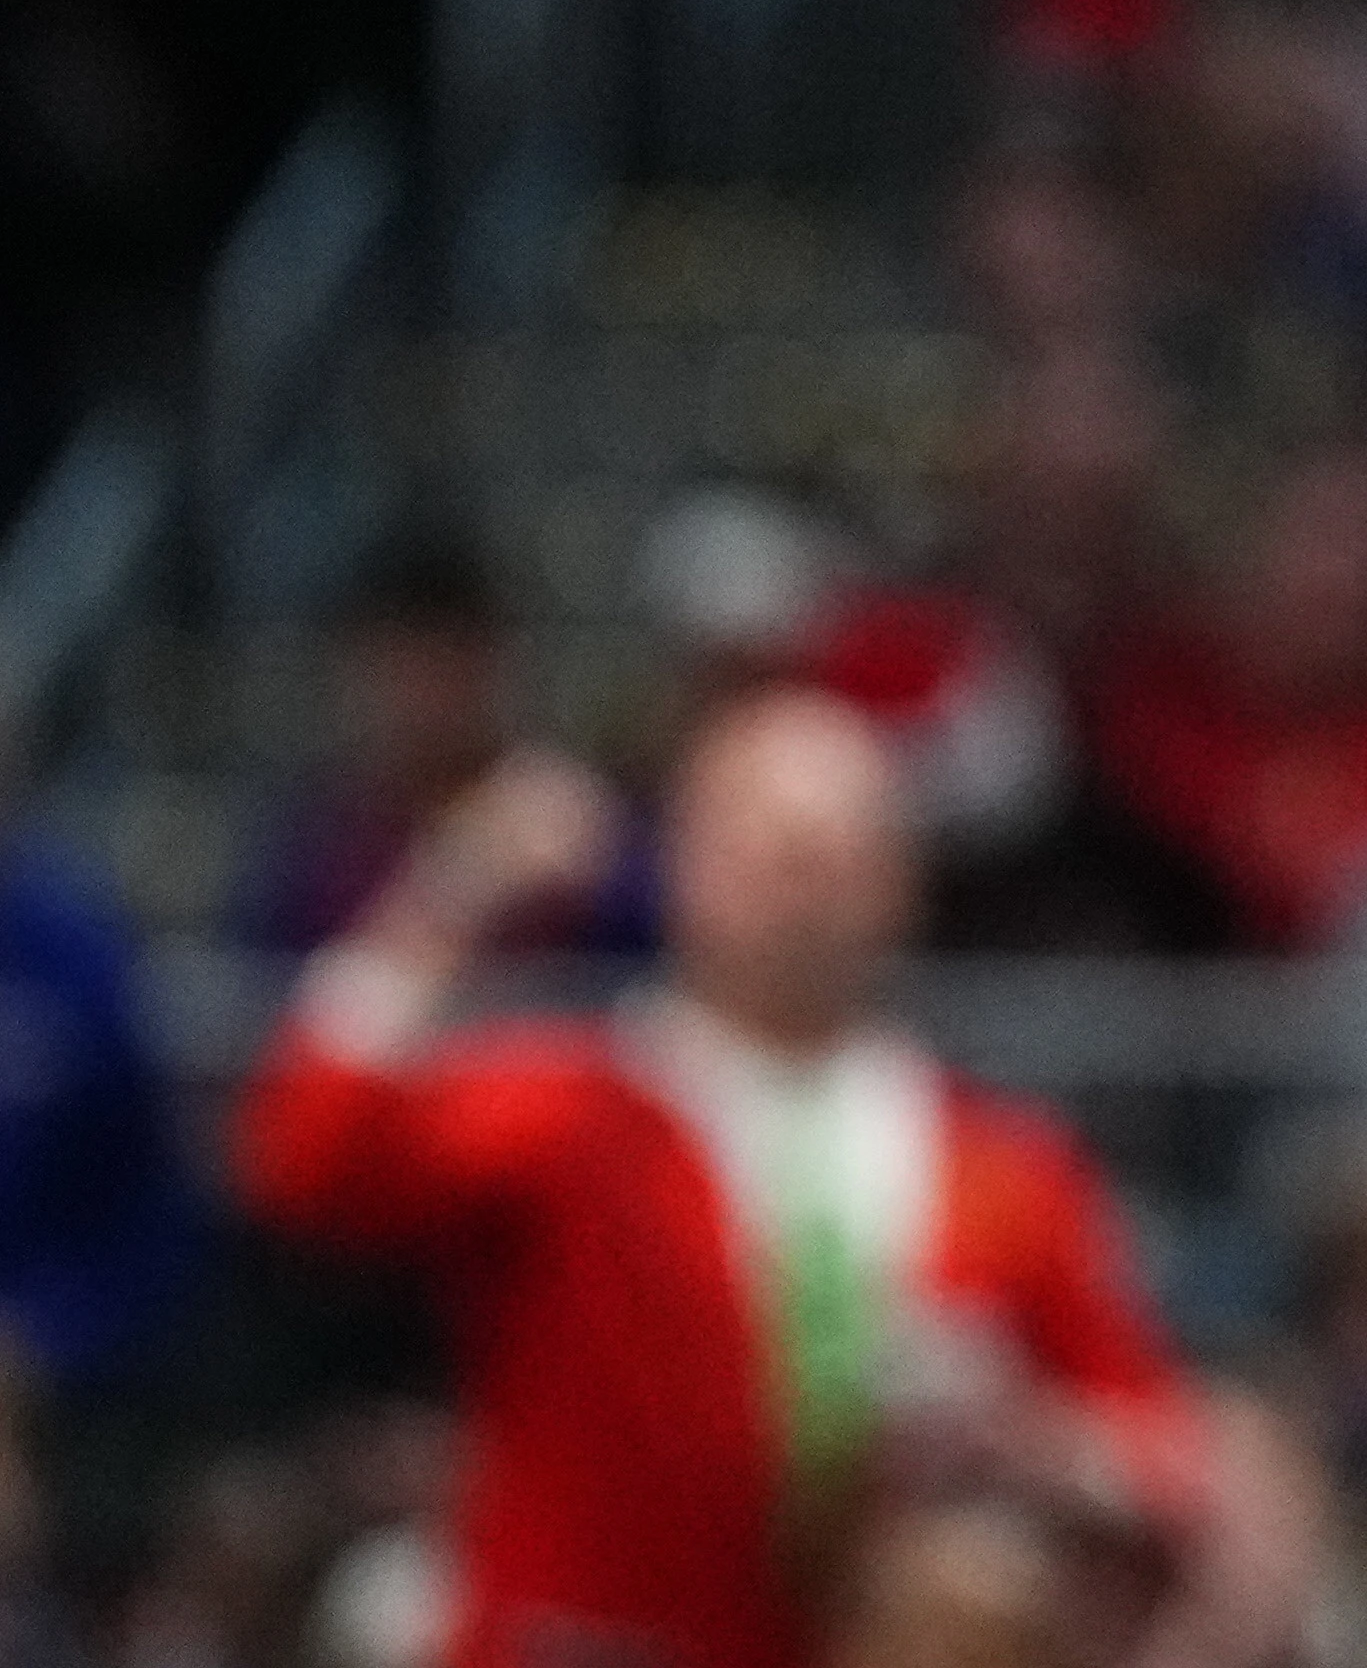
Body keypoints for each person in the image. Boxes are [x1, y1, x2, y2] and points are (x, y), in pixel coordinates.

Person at [233, 692, 1217, 1668]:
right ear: (683, 867)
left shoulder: (1001, 1162)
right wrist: (452, 889)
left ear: (900, 882)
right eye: (769, 852)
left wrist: (1028, 1444)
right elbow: (303, 1152)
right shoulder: (571, 1111)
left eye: (835, 855)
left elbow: (1162, 1453)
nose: (800, 889)